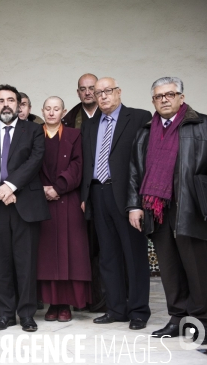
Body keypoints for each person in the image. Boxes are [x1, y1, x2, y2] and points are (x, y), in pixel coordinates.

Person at [128, 77, 207, 342]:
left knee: (196, 268)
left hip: (191, 206)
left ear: (181, 98)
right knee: (170, 268)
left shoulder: (201, 125)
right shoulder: (145, 131)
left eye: (170, 94)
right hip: (157, 208)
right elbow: (135, 173)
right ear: (153, 101)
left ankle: (201, 322)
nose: (164, 99)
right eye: (158, 96)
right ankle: (177, 318)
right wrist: (134, 206)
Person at [0, 84, 50, 332]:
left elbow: (34, 161)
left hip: (24, 204)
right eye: (0, 101)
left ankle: (27, 314)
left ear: (18, 104)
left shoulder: (34, 131)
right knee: (0, 264)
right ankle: (5, 314)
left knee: (26, 263)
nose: (5, 104)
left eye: (10, 100)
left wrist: (10, 186)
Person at [80, 77, 152, 330]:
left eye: (107, 91)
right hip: (98, 194)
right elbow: (87, 162)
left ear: (119, 92)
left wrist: (139, 202)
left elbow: (146, 161)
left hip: (127, 196)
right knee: (108, 255)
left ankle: (139, 311)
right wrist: (84, 197)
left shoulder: (140, 117)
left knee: (133, 255)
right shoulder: (89, 125)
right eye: (98, 93)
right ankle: (116, 308)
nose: (102, 96)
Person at [36, 96, 92, 322]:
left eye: (56, 109)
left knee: (71, 253)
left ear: (64, 112)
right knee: (46, 255)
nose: (51, 113)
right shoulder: (33, 134)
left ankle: (67, 304)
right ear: (42, 111)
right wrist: (41, 189)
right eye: (47, 109)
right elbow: (27, 163)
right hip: (40, 200)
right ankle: (52, 304)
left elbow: (79, 165)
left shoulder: (74, 135)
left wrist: (58, 187)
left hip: (67, 199)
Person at [61, 73, 104, 312]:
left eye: (91, 88)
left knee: (105, 248)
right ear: (78, 93)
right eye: (83, 89)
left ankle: (108, 298)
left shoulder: (109, 116)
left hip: (104, 188)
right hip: (78, 193)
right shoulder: (69, 119)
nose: (88, 92)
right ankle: (87, 299)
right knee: (84, 249)